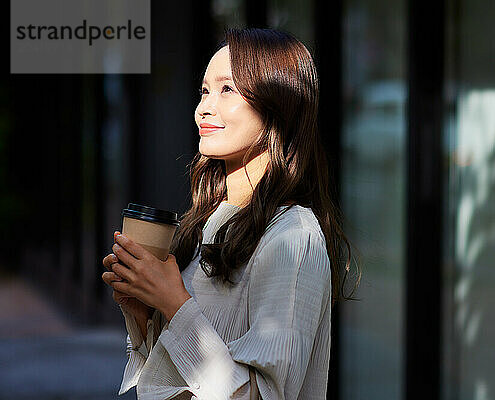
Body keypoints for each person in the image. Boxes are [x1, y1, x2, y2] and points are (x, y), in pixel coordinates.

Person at [101, 27, 359, 400]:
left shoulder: (292, 235)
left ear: (278, 103)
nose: (205, 107)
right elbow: (171, 378)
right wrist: (144, 312)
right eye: (204, 91)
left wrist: (174, 303)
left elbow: (263, 395)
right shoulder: (207, 221)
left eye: (227, 90)